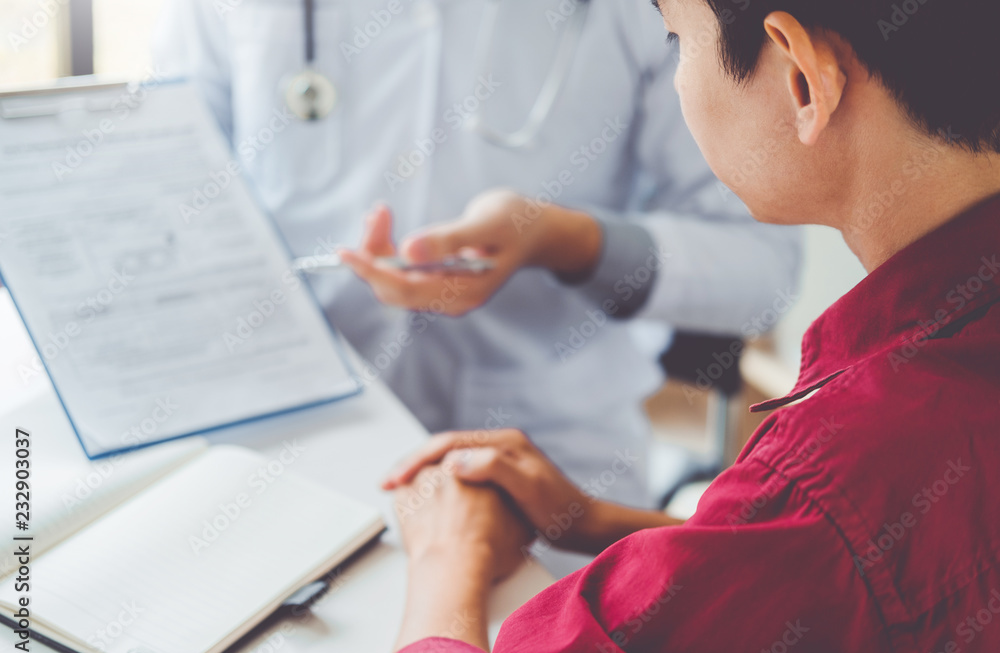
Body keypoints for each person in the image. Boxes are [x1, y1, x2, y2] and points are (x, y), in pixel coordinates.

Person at [378, 0, 1000, 653]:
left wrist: (448, 555)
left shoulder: (834, 477)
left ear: (802, 80)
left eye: (678, 43)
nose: (677, 76)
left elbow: (830, 536)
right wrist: (600, 522)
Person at [153, 0, 802, 523]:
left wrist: (566, 241)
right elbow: (167, 187)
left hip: (552, 452)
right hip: (288, 430)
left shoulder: (661, 12)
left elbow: (762, 270)